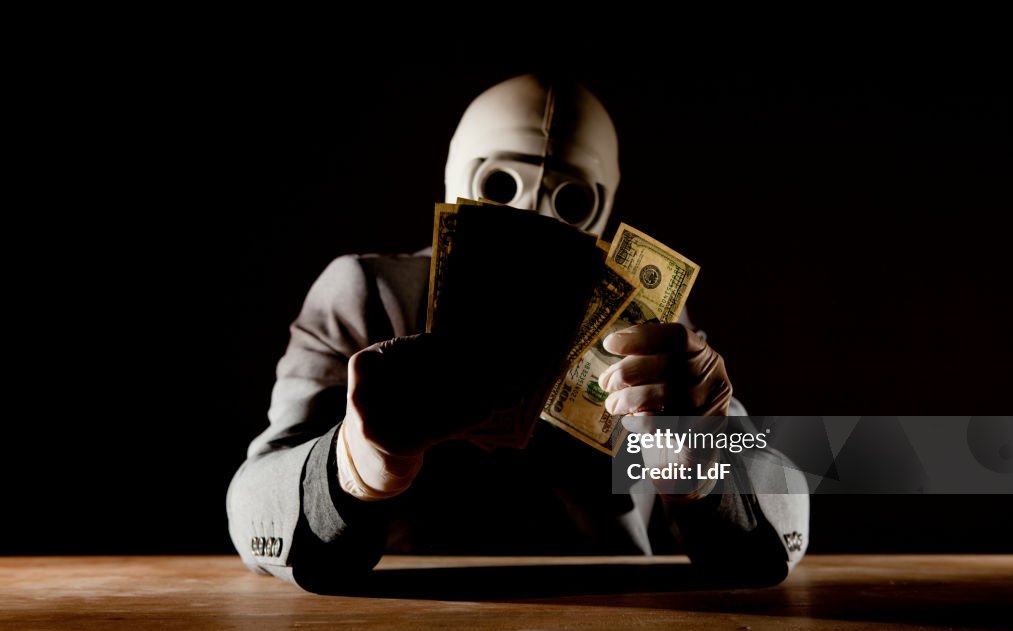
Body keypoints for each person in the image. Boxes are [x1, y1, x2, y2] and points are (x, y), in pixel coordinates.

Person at [227, 75, 809, 593]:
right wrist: (353, 462)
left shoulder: (642, 322)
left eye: (569, 198)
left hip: (613, 620)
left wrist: (703, 464)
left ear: (602, 207)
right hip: (409, 622)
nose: (530, 215)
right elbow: (253, 501)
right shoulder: (368, 294)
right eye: (501, 184)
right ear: (457, 175)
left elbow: (789, 515)